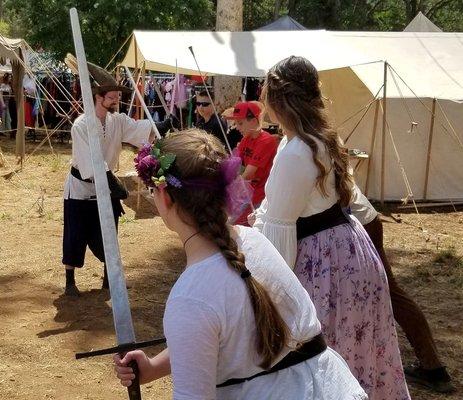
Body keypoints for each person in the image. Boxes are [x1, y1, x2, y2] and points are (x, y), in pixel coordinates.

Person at [113, 129, 367, 400]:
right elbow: (230, 333)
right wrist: (154, 367)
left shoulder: (190, 297)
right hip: (329, 387)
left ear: (165, 197)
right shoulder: (254, 242)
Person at [252, 56, 410, 400]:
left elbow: (281, 231)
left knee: (327, 358)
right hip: (348, 252)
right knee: (357, 348)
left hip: (325, 264)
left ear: (278, 100)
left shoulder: (298, 149)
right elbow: (280, 208)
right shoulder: (316, 138)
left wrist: (269, 291)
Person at [62, 62, 156, 297]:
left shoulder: (117, 120)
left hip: (107, 186)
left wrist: (158, 127)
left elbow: (138, 129)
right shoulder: (81, 125)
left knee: (109, 233)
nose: (116, 99)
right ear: (98, 96)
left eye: (117, 96)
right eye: (112, 96)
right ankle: (70, 282)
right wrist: (111, 182)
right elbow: (89, 159)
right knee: (76, 233)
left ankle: (109, 280)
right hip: (82, 187)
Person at [349, 185, 454, 393]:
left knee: (391, 293)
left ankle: (433, 368)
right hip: (361, 220)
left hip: (358, 223)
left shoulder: (298, 153)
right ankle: (432, 368)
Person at [224, 101, 278, 226]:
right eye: (236, 123)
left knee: (233, 227)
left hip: (261, 197)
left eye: (240, 123)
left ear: (253, 121)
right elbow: (233, 162)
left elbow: (248, 173)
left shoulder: (266, 141)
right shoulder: (246, 138)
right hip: (247, 193)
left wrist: (229, 185)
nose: (237, 127)